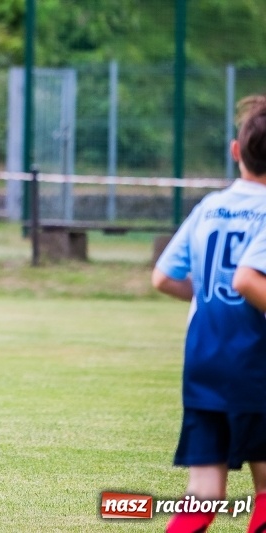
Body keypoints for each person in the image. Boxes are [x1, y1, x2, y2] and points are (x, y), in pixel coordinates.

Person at [152, 94, 266, 533]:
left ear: (236, 151)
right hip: (254, 359)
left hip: (203, 356)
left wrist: (209, 298)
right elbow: (248, 281)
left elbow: (163, 278)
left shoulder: (209, 207)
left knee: (203, 494)